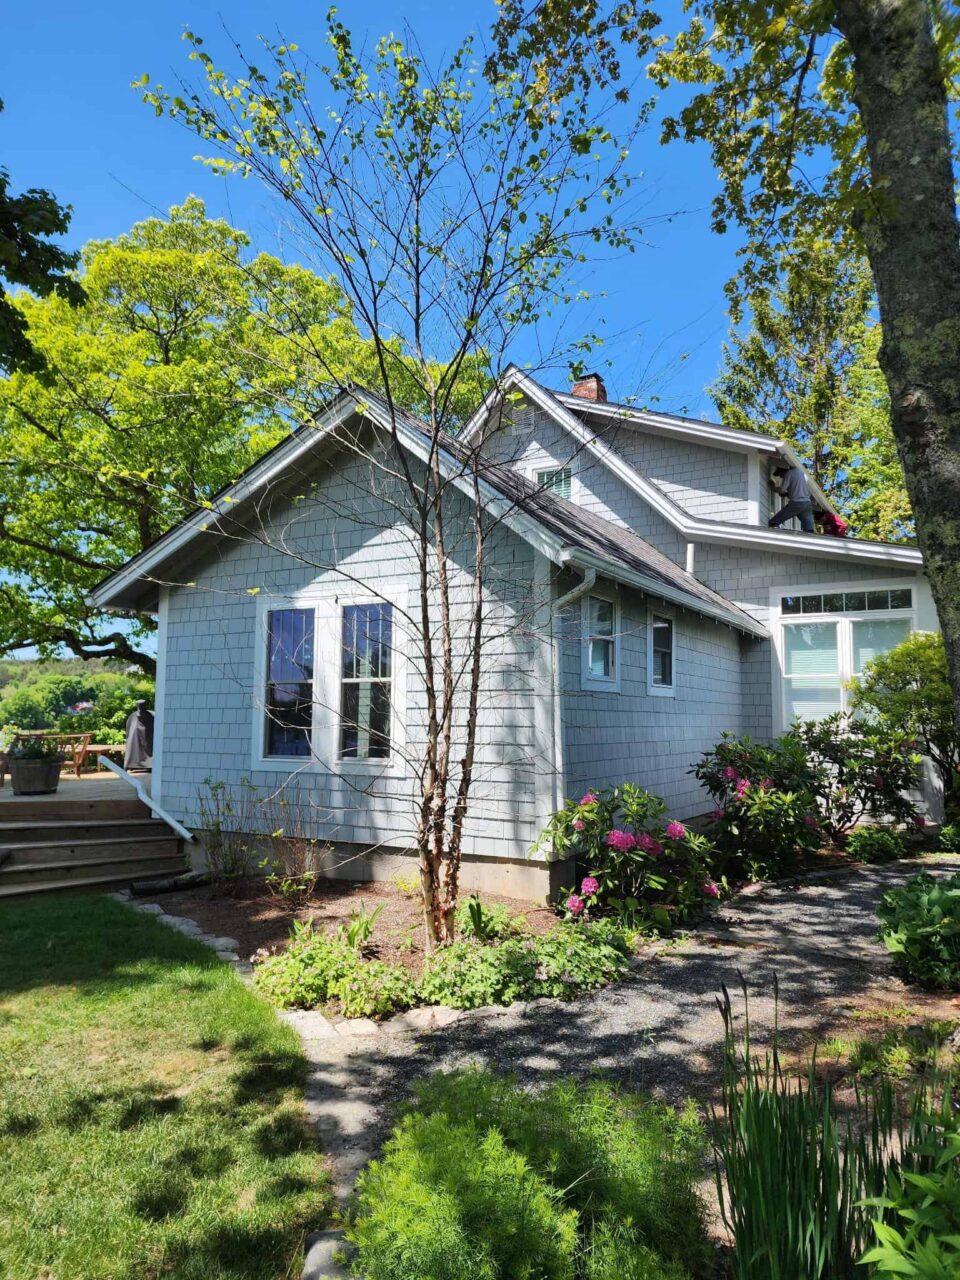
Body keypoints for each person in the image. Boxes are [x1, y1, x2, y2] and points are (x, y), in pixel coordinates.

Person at [768, 464, 815, 533]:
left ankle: (775, 534)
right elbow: (799, 491)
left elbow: (782, 489)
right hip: (807, 504)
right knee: (808, 530)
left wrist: (772, 487)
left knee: (773, 522)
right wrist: (787, 494)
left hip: (796, 504)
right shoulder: (801, 473)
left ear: (782, 471)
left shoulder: (789, 473)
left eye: (780, 475)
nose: (781, 477)